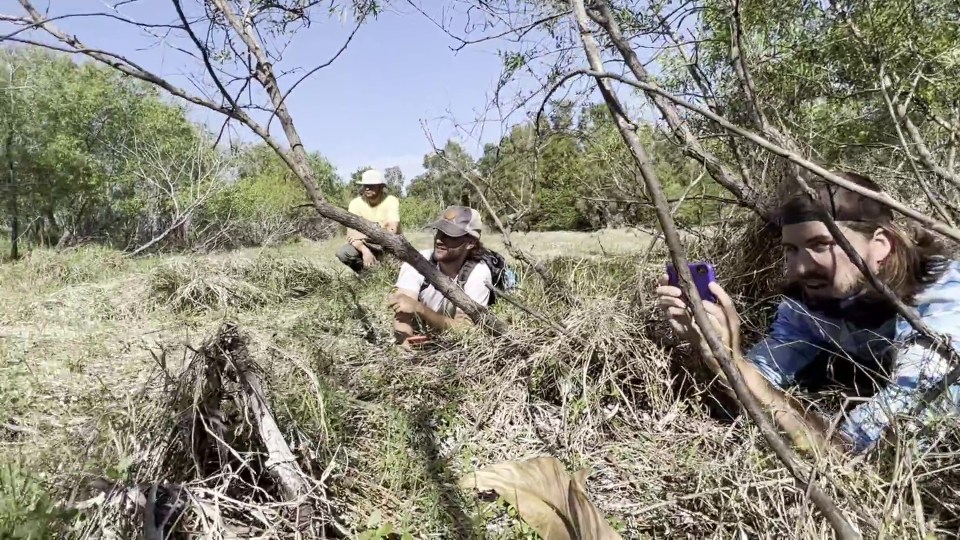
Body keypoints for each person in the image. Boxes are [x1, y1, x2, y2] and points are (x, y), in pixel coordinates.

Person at [657, 170, 960, 455]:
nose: (800, 268)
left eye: (820, 244)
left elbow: (865, 448)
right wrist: (714, 351)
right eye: (792, 250)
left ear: (880, 245)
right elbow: (752, 385)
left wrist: (737, 367)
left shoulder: (943, 301)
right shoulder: (812, 302)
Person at [388, 206, 492, 346]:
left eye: (450, 236)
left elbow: (466, 328)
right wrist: (405, 340)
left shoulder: (478, 274)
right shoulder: (418, 261)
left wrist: (420, 309)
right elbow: (403, 312)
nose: (439, 240)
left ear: (470, 243)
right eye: (439, 232)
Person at [336, 169, 400, 273]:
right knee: (343, 253)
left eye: (372, 185)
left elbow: (392, 230)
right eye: (365, 185)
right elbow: (352, 235)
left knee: (400, 269)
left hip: (389, 245)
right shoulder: (355, 203)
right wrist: (365, 251)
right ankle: (367, 275)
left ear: (381, 187)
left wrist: (363, 235)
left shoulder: (391, 201)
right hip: (365, 245)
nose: (367, 188)